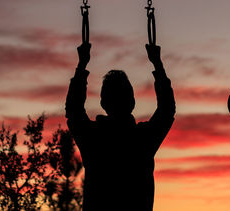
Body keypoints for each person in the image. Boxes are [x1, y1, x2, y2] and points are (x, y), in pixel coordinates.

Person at [65, 42, 176, 210]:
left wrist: (82, 65)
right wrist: (157, 64)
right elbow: (167, 110)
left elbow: (73, 110)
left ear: (103, 102)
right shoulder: (143, 139)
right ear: (132, 102)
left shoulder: (92, 137)